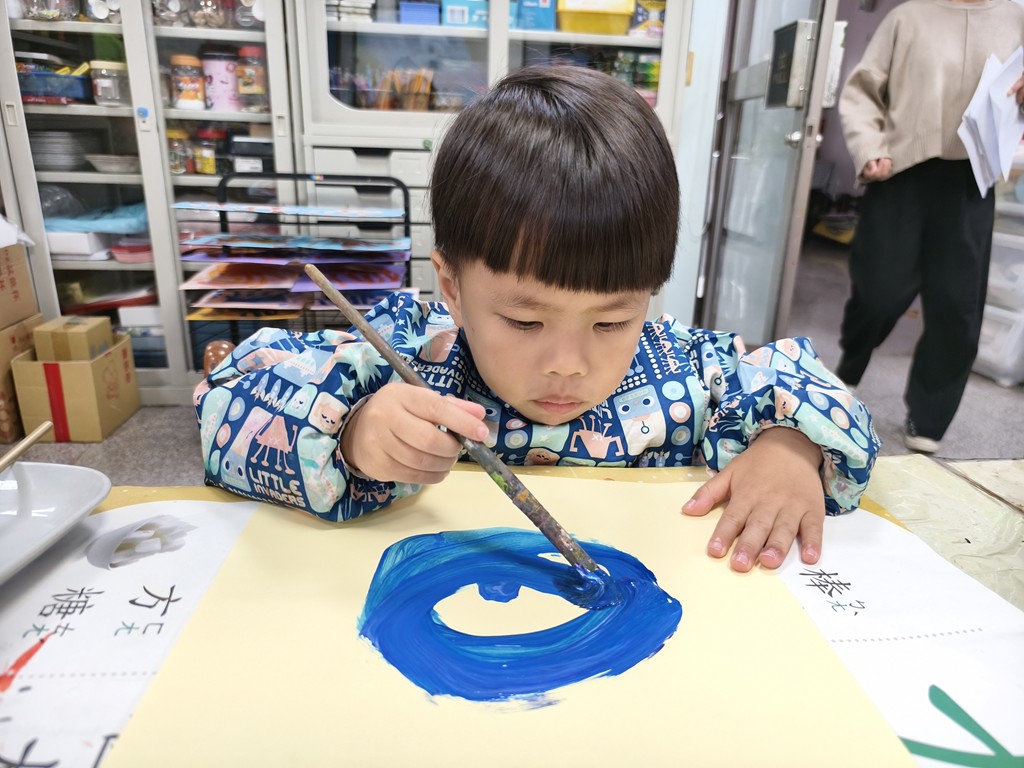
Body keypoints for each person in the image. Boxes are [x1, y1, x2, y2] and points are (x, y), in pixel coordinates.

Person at [194, 65, 879, 573]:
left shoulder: (684, 369)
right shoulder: (408, 352)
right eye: (525, 322)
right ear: (452, 287)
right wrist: (351, 434)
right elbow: (227, 393)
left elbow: (797, 380)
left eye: (611, 322)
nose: (568, 364)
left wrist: (787, 448)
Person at [836, 0, 1024, 454]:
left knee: (957, 308)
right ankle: (847, 370)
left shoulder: (1017, 19)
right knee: (877, 292)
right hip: (900, 172)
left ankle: (929, 416)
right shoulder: (908, 17)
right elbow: (861, 91)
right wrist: (869, 147)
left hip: (972, 181)